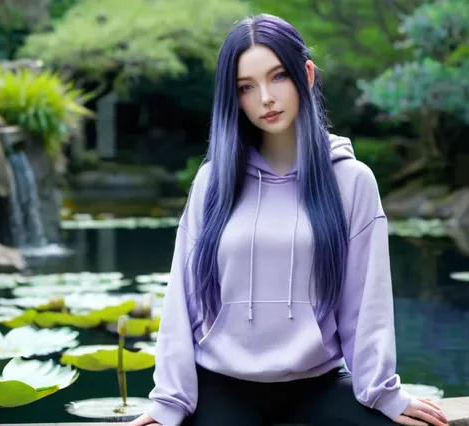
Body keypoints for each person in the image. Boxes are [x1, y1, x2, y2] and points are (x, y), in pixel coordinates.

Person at [130, 13, 449, 426]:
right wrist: (168, 402)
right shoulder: (213, 182)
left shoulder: (352, 181)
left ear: (307, 75)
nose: (265, 97)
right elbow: (181, 299)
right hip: (221, 386)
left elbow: (365, 304)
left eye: (277, 77)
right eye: (247, 87)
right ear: (235, 97)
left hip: (317, 385)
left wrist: (383, 392)